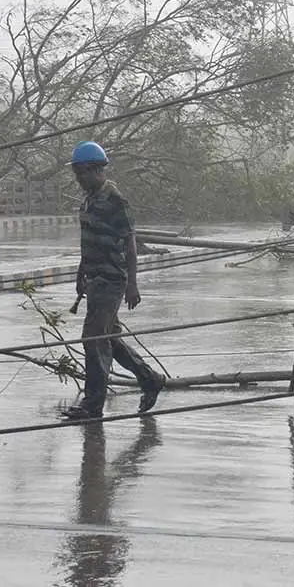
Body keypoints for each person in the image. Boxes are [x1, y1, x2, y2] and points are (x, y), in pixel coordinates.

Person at [62, 140, 165, 421]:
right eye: (76, 173)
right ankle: (150, 379)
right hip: (94, 279)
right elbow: (88, 242)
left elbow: (130, 243)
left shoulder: (115, 200)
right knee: (111, 340)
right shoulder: (89, 199)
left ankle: (92, 405)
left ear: (97, 170)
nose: (79, 179)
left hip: (111, 280)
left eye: (82, 173)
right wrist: (80, 274)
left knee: (93, 338)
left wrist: (133, 284)